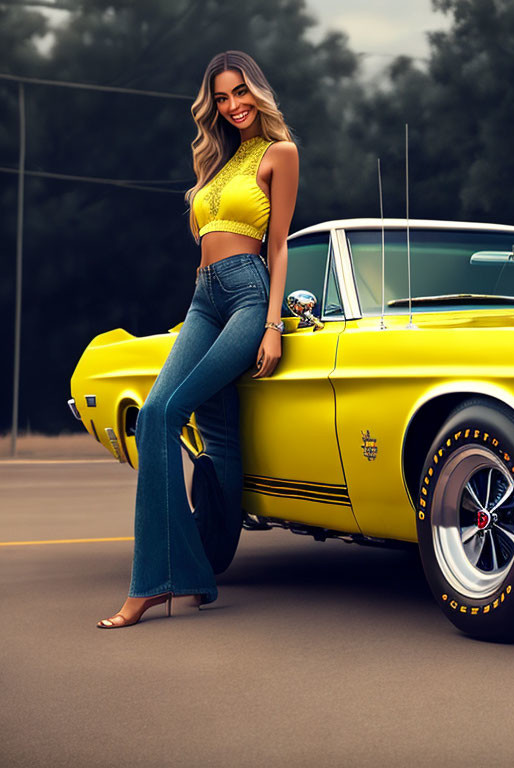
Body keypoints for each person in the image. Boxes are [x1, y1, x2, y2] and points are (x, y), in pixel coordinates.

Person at [97, 50, 299, 628]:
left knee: (167, 412)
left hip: (247, 294)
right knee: (179, 418)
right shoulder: (215, 163)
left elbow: (279, 243)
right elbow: (206, 239)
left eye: (240, 93)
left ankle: (152, 586)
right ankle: (196, 569)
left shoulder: (278, 154)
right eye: (222, 98)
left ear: (257, 93)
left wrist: (272, 324)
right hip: (204, 297)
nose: (233, 105)